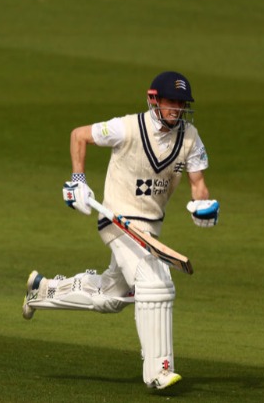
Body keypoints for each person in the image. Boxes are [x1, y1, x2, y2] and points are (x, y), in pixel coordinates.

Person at [22, 71, 219, 390]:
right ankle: (159, 371)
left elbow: (198, 184)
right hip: (116, 218)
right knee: (156, 283)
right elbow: (79, 135)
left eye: (182, 103)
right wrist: (79, 182)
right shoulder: (127, 127)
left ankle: (42, 290)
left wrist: (203, 207)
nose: (177, 109)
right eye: (171, 101)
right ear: (154, 99)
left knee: (112, 297)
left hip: (149, 228)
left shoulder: (191, 138)